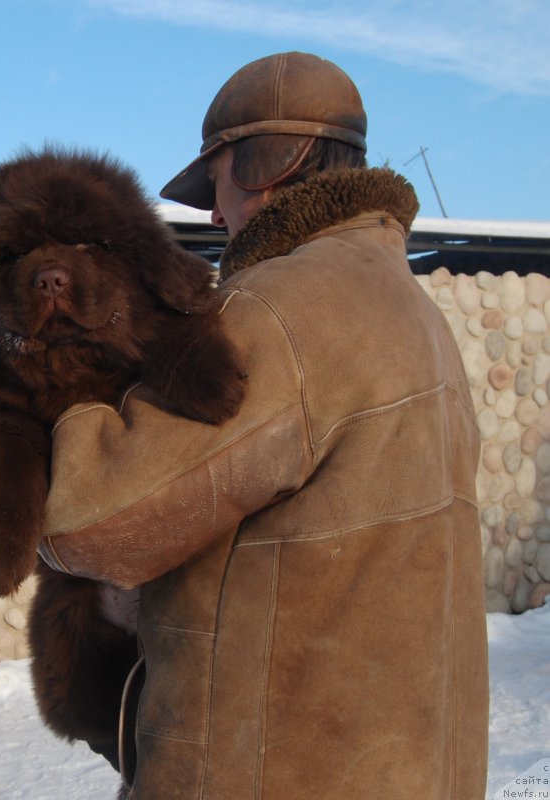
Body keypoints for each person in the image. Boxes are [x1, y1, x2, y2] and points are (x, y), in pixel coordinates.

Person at [38, 52, 489, 799]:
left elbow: (88, 520)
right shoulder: (413, 312)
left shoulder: (278, 308)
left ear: (266, 165)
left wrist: (61, 394)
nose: (214, 216)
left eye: (216, 183)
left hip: (271, 772)